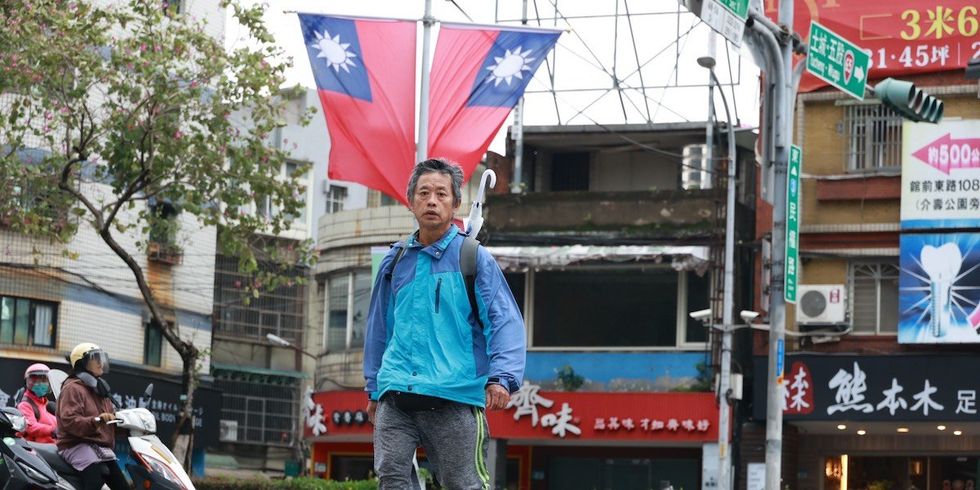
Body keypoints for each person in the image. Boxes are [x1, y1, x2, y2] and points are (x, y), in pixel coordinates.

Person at [364, 159, 526, 490]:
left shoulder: (472, 257)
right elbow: (379, 327)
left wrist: (502, 377)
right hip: (397, 393)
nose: (432, 201)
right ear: (411, 202)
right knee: (391, 478)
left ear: (455, 203)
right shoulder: (395, 261)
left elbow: (503, 320)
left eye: (441, 194)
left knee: (462, 483)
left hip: (455, 396)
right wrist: (374, 387)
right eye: (423, 193)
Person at [56, 343, 129, 490]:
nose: (100, 363)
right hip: (75, 445)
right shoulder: (73, 388)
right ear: (81, 363)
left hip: (99, 447)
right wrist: (97, 421)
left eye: (101, 358)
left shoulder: (100, 389)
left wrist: (125, 422)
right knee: (95, 484)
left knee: (122, 486)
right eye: (95, 359)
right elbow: (70, 421)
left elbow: (109, 421)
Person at [17, 363, 58, 444]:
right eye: (35, 381)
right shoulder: (25, 404)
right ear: (27, 382)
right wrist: (52, 430)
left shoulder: (47, 404)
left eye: (44, 381)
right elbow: (31, 427)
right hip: (36, 449)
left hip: (54, 447)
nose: (40, 384)